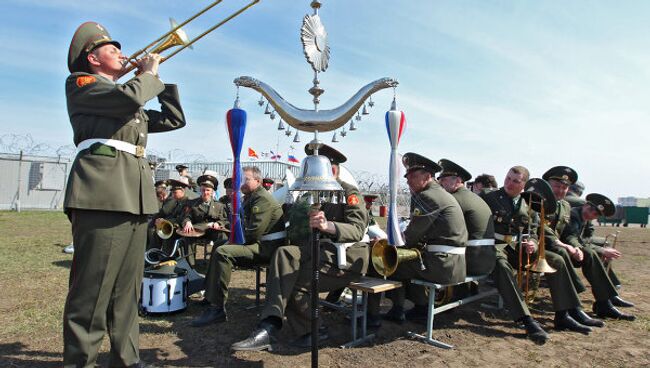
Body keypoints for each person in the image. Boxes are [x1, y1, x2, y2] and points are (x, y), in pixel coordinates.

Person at [63, 21, 186, 368]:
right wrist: (146, 76)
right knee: (91, 293)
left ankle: (126, 360)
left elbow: (174, 119)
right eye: (111, 49)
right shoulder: (83, 85)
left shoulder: (125, 100)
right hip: (101, 196)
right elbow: (129, 96)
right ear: (92, 58)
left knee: (126, 293)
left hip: (134, 199)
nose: (120, 52)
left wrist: (159, 79)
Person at [231, 143, 369, 351]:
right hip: (318, 252)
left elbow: (357, 229)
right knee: (284, 253)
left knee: (293, 280)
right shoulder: (310, 194)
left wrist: (328, 225)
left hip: (347, 258)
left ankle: (312, 330)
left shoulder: (349, 193)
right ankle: (271, 323)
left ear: (331, 170)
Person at [482, 167, 596, 335]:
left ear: (523, 185)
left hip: (517, 248)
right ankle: (525, 319)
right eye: (507, 178)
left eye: (515, 181)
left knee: (557, 260)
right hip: (493, 246)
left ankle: (564, 314)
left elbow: (534, 230)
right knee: (501, 264)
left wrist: (533, 244)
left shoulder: (528, 203)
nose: (509, 183)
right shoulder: (489, 198)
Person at [368, 152, 468, 324]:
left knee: (384, 263)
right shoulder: (438, 193)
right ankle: (417, 307)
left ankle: (378, 315)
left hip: (442, 263)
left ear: (428, 176)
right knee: (405, 262)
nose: (408, 181)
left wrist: (385, 245)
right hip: (449, 261)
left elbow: (411, 237)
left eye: (413, 176)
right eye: (407, 177)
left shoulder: (429, 196)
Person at [191, 166, 285, 327]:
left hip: (266, 247)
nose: (241, 182)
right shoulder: (250, 197)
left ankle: (217, 309)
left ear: (258, 181)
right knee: (219, 245)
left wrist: (232, 238)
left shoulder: (262, 198)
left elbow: (253, 234)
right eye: (241, 179)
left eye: (246, 179)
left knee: (223, 251)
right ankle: (210, 297)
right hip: (258, 243)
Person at [562, 193, 636, 320]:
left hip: (574, 248)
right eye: (590, 209)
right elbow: (571, 238)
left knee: (602, 248)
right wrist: (601, 250)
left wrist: (603, 248)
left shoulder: (586, 218)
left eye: (595, 214)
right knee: (591, 253)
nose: (591, 214)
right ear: (585, 205)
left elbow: (587, 238)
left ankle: (607, 298)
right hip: (564, 248)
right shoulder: (573, 215)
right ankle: (605, 301)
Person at [180, 174, 230, 266]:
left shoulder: (219, 205)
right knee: (187, 234)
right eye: (203, 190)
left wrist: (218, 223)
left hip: (212, 231)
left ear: (212, 192)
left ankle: (217, 264)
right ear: (200, 190)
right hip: (196, 231)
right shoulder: (192, 203)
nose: (205, 192)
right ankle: (190, 265)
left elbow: (225, 220)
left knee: (222, 235)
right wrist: (187, 222)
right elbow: (186, 216)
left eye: (208, 190)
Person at [148, 177, 191, 251]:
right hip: (175, 225)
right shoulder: (178, 202)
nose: (173, 195)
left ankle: (167, 256)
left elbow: (182, 218)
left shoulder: (188, 202)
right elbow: (172, 215)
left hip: (182, 228)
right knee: (158, 233)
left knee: (167, 235)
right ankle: (153, 254)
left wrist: (165, 221)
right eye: (173, 192)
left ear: (182, 191)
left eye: (175, 192)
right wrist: (162, 220)